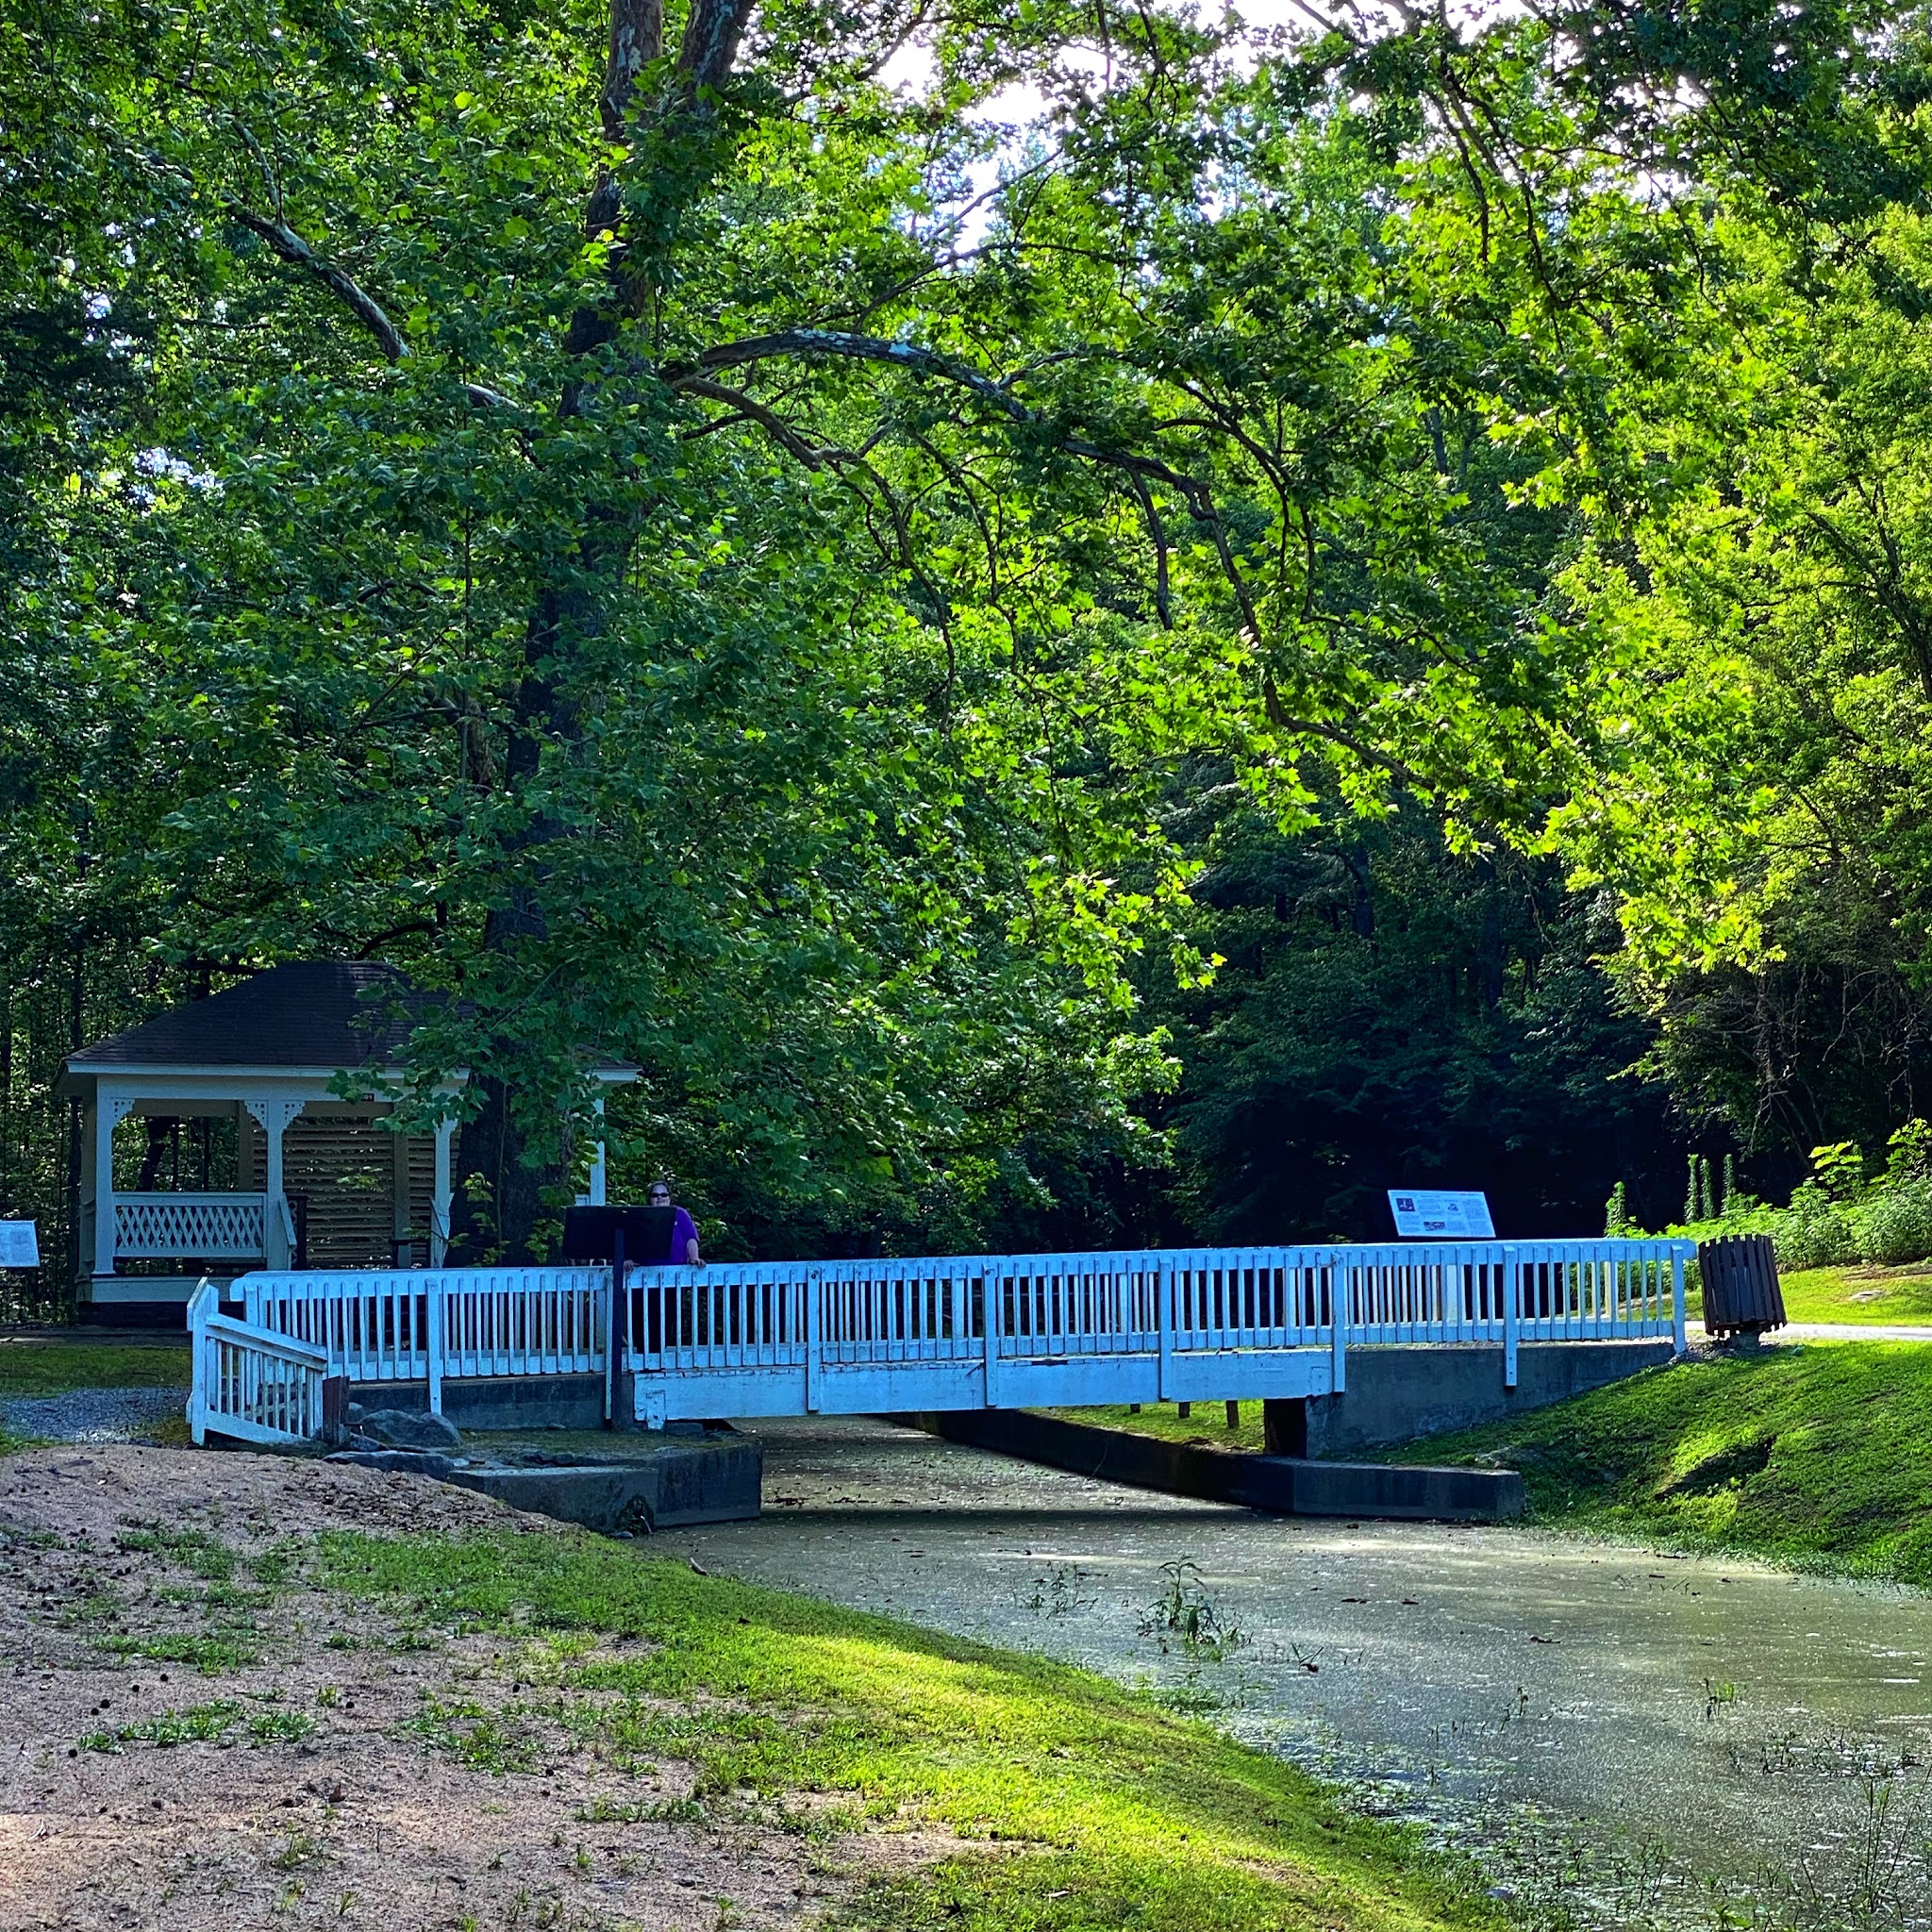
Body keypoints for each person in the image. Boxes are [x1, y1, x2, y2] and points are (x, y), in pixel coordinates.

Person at [647, 1179, 702, 1266]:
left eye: (664, 1195)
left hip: (678, 1270)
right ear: (650, 1199)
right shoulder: (643, 1216)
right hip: (647, 1272)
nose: (660, 1198)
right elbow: (633, 1242)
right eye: (655, 1195)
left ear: (669, 1198)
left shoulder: (680, 1214)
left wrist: (694, 1258)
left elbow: (691, 1238)